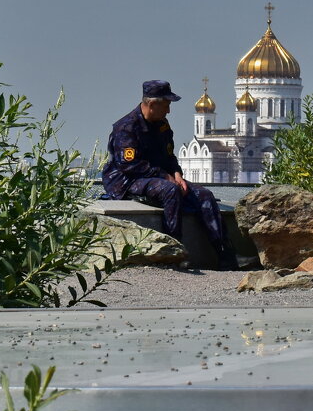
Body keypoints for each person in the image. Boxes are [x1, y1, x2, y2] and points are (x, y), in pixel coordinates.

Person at [101, 80, 239, 270]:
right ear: (152, 104)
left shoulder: (162, 125)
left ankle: (225, 252)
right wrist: (166, 177)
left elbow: (169, 155)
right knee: (170, 191)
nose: (168, 111)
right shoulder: (127, 127)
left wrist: (177, 174)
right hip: (127, 180)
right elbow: (129, 164)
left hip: (159, 176)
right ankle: (174, 252)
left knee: (204, 195)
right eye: (166, 105)